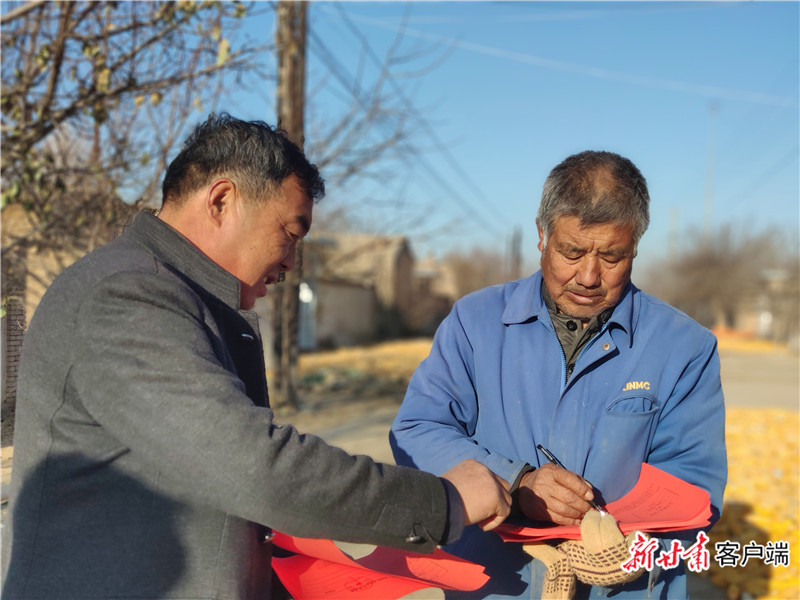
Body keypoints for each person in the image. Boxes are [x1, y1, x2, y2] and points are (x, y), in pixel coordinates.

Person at [1, 113, 511, 600]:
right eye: (290, 233)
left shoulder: (183, 299)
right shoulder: (126, 296)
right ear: (222, 200)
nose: (291, 262)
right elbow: (252, 467)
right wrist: (443, 502)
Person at [390, 150, 727, 599]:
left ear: (635, 247)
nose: (588, 276)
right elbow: (418, 429)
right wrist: (514, 483)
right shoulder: (475, 322)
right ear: (542, 235)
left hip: (623, 588)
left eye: (612, 256)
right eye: (572, 251)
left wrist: (633, 546)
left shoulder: (684, 346)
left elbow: (694, 485)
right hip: (494, 586)